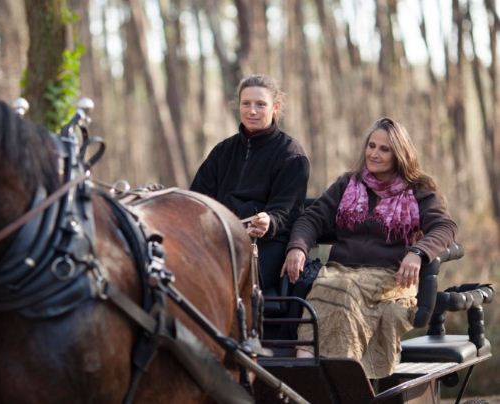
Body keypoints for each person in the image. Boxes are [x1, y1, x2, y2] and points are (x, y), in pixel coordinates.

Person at [281, 117, 457, 379]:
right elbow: (311, 218)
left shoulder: (418, 190)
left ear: (399, 154)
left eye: (384, 149)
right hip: (342, 271)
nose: (374, 154)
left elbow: (445, 227)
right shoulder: (348, 184)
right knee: (328, 289)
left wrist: (417, 252)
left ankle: (345, 380)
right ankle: (306, 379)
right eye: (371, 146)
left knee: (342, 290)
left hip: (391, 276)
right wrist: (298, 248)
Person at [190, 74, 310, 295]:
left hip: (266, 247)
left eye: (260, 104)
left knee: (214, 279)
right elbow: (197, 198)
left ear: (275, 107)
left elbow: (285, 213)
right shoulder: (222, 151)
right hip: (219, 239)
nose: (252, 111)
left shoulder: (291, 155)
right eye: (246, 104)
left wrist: (269, 221)